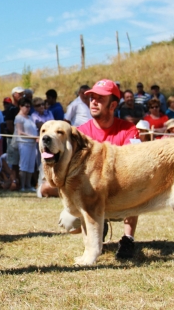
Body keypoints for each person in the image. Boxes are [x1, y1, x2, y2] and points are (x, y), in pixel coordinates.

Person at [57, 79, 140, 259]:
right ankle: (97, 229)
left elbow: (134, 167)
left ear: (113, 105)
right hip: (90, 194)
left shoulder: (129, 130)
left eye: (100, 98)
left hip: (119, 191)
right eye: (92, 97)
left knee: (135, 186)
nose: (93, 102)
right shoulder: (79, 132)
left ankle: (128, 239)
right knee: (68, 221)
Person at [14, 97, 38, 192]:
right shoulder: (18, 118)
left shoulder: (30, 117)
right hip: (24, 143)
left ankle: (28, 185)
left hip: (32, 144)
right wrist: (33, 137)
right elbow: (20, 132)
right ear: (20, 106)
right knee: (24, 165)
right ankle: (22, 186)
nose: (28, 108)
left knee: (31, 165)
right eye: (26, 106)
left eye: (29, 107)